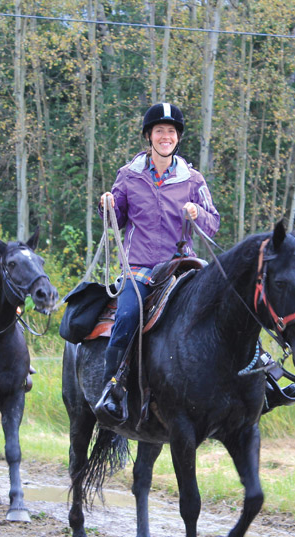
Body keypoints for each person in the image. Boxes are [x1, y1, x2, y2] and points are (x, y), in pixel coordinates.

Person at [93, 102, 220, 425]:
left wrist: (198, 214)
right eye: (160, 131)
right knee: (127, 316)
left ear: (178, 139)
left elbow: (213, 223)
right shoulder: (128, 176)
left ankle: (256, 376)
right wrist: (106, 204)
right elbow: (115, 221)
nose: (166, 137)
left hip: (182, 266)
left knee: (224, 300)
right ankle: (112, 389)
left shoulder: (193, 179)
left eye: (172, 132)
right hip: (140, 267)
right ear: (149, 136)